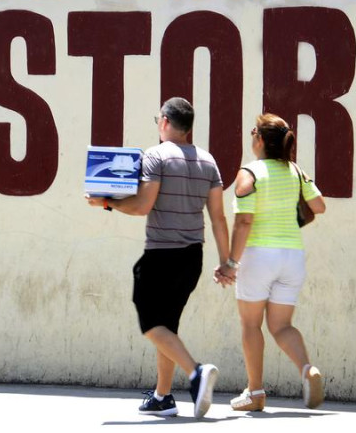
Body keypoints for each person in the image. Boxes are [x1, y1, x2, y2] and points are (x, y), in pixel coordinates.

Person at [87, 97, 230, 419]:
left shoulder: (156, 156)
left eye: (158, 120)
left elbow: (141, 206)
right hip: (193, 257)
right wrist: (227, 262)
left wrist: (107, 203)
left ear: (165, 121)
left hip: (161, 256)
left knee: (152, 325)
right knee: (168, 328)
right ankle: (163, 397)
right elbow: (219, 218)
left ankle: (196, 373)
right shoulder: (208, 161)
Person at [214, 113, 326, 413]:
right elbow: (319, 205)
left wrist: (230, 263)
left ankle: (255, 392)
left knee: (251, 324)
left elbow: (245, 221)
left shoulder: (249, 173)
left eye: (253, 131)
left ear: (260, 139)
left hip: (258, 256)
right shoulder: (295, 171)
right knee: (281, 326)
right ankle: (307, 370)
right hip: (292, 256)